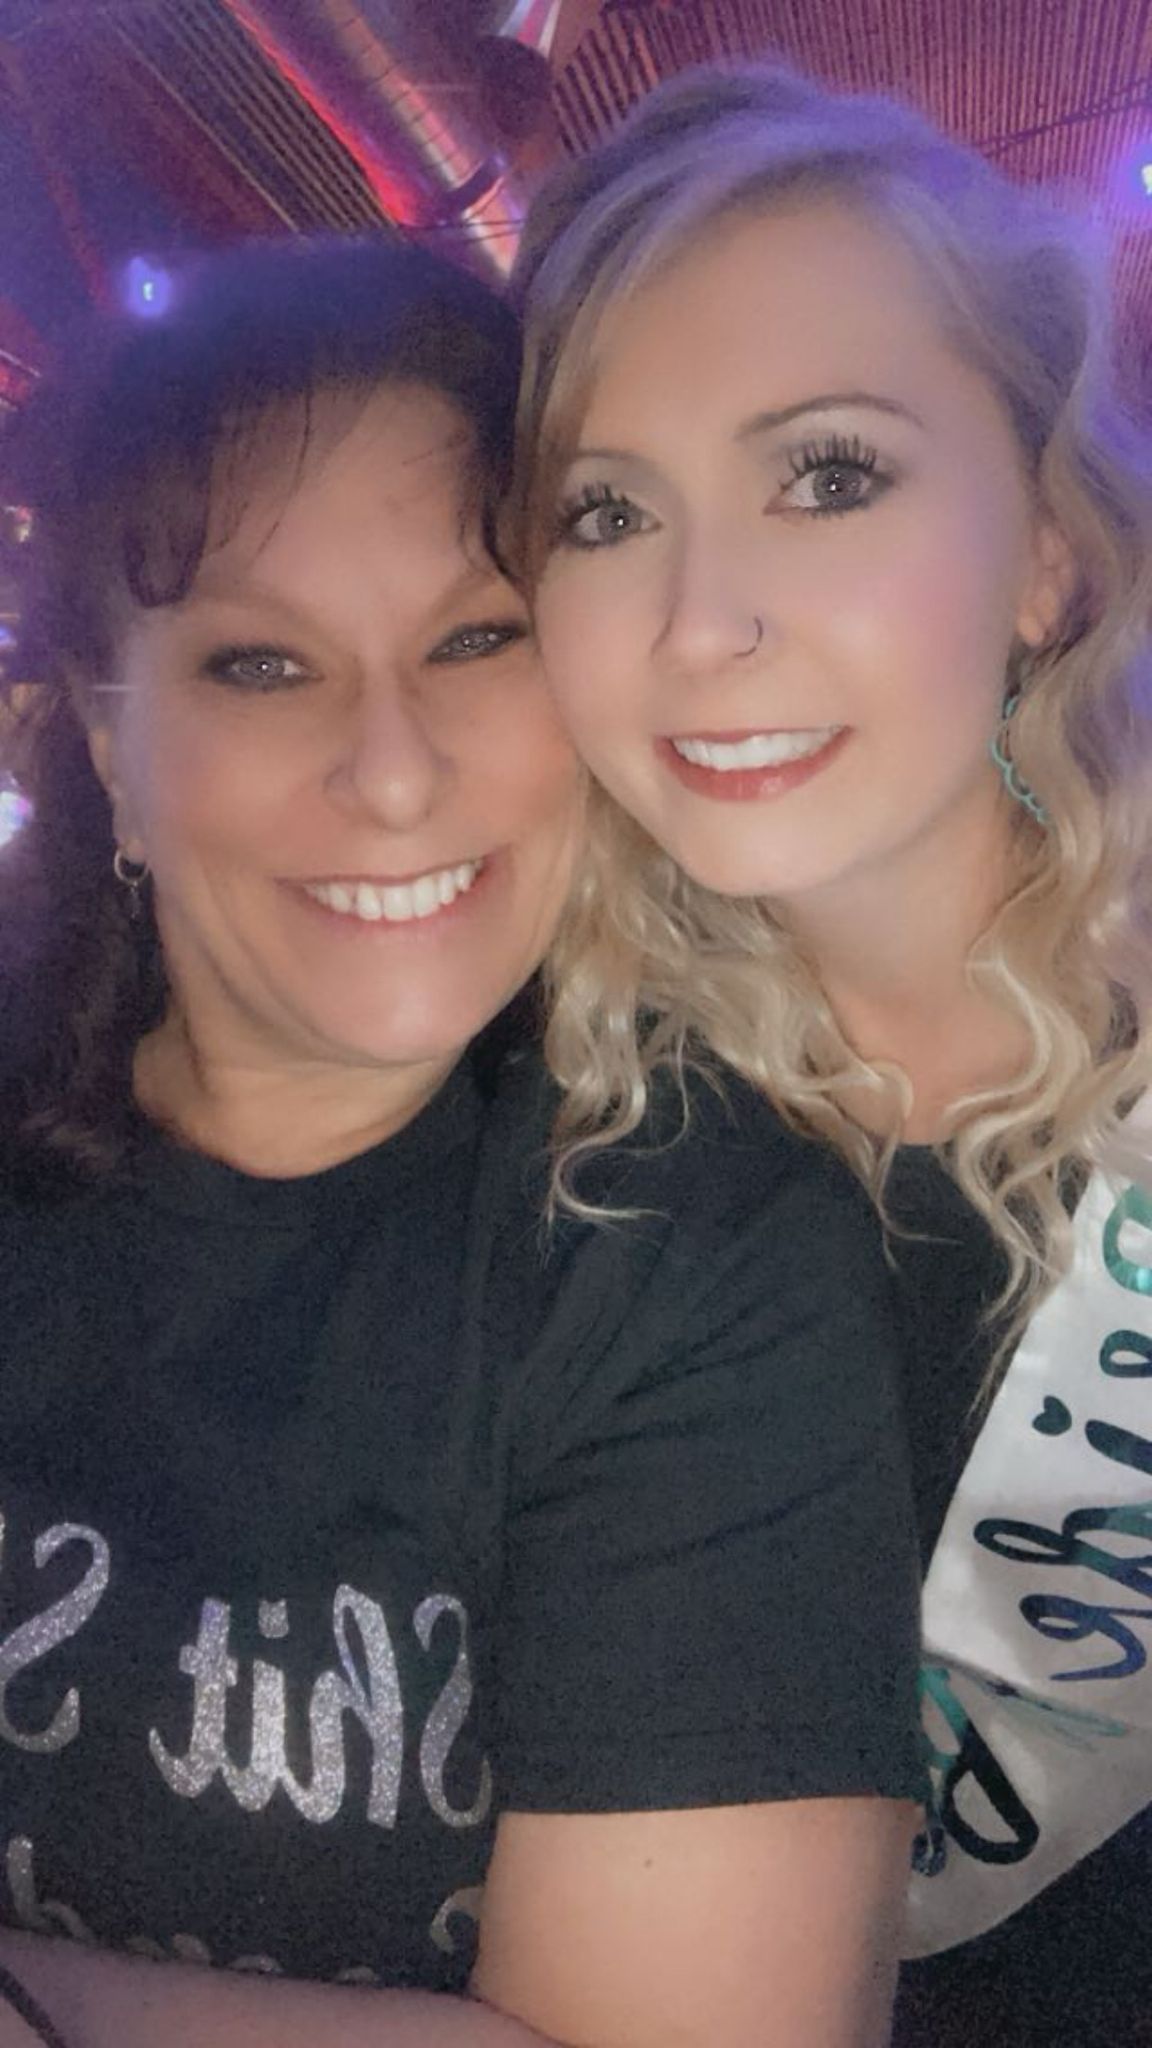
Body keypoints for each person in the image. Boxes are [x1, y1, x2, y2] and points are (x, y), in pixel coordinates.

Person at [0, 234, 923, 2048]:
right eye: (261, 664)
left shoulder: (689, 1254)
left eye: (477, 638)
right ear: (97, 743)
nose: (397, 769)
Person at [511, 60, 1152, 2048]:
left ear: (1049, 553)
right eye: (609, 511)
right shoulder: (557, 1110)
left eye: (830, 475)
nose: (699, 622)